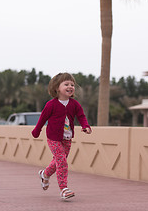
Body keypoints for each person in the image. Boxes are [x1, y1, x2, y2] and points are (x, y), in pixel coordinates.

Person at [32, 72, 92, 200]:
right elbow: (42, 119)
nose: (70, 86)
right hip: (53, 138)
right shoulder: (51, 105)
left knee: (58, 161)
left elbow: (81, 116)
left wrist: (85, 126)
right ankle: (63, 188)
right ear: (57, 88)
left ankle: (44, 174)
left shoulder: (74, 104)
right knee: (62, 161)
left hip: (67, 138)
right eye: (66, 84)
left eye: (72, 84)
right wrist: (36, 131)